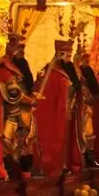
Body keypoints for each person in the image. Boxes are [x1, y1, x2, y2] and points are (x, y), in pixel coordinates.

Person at [0, 31, 39, 178]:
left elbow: (27, 85)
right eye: (20, 49)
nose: (22, 53)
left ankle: (24, 166)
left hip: (25, 110)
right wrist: (29, 100)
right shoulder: (4, 66)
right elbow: (13, 92)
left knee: (25, 139)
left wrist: (34, 94)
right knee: (8, 139)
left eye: (23, 49)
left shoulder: (22, 65)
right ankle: (9, 166)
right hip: (10, 109)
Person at [34, 38, 77, 177]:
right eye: (67, 56)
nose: (69, 60)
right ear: (59, 55)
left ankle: (60, 165)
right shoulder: (53, 74)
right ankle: (50, 168)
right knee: (51, 140)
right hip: (51, 114)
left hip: (60, 112)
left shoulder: (61, 73)